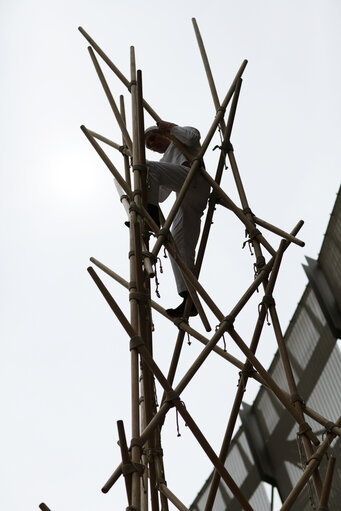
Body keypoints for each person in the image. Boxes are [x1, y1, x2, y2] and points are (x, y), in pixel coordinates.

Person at [145, 120, 210, 318]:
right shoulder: (164, 161)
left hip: (195, 179)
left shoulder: (182, 137)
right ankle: (188, 298)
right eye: (149, 145)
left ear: (163, 133)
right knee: (177, 245)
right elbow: (161, 196)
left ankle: (151, 220)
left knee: (148, 167)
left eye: (153, 138)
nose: (153, 145)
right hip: (185, 197)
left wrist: (171, 128)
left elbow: (194, 136)